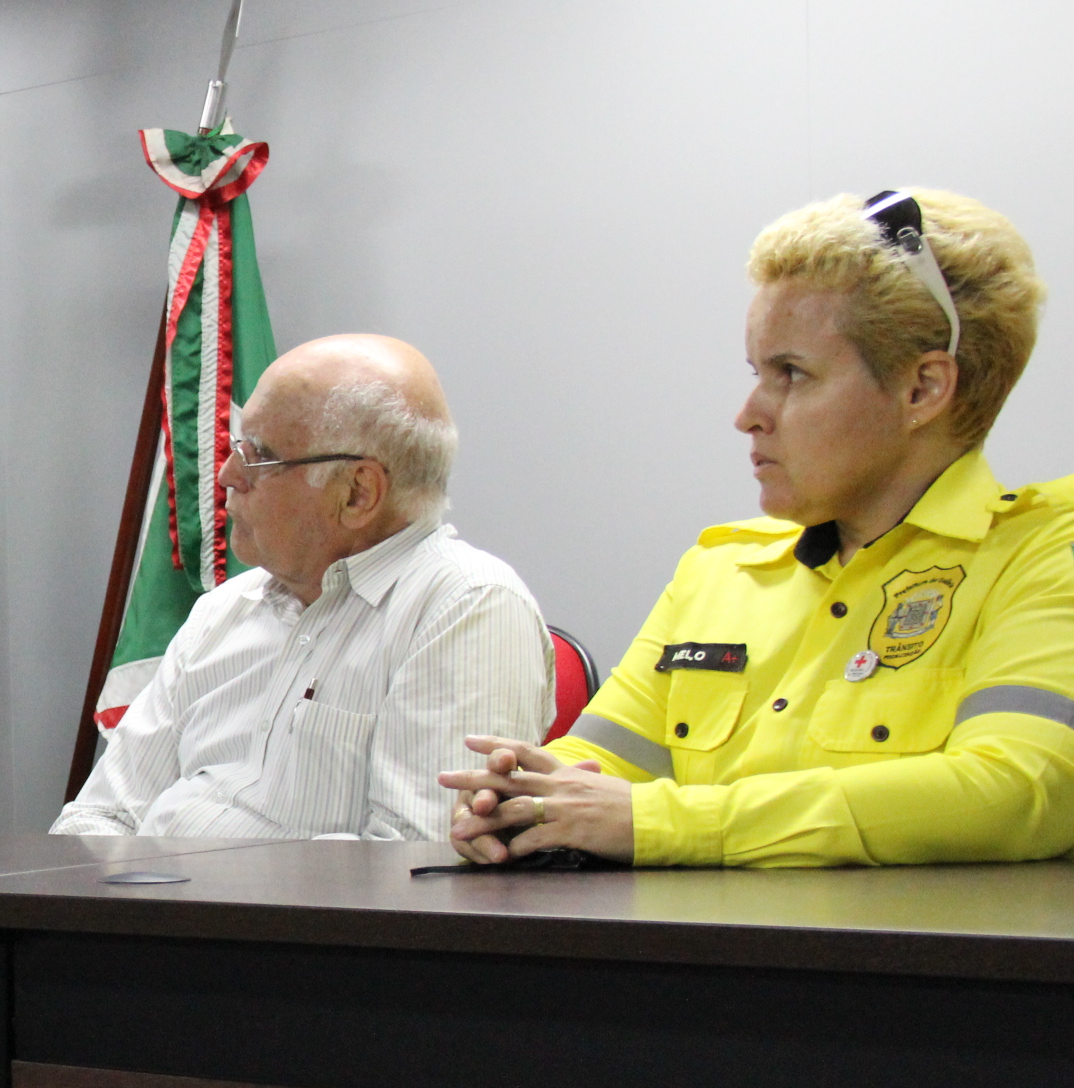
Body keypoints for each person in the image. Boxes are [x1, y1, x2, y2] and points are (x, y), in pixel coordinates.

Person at [446, 189, 1074, 869]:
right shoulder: (721, 568)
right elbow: (598, 763)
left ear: (922, 389)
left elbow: (1012, 790)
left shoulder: (1043, 553)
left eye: (791, 374)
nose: (748, 414)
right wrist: (516, 798)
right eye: (757, 373)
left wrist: (668, 822)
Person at [52, 334, 551, 841]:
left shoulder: (466, 607)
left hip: (260, 918)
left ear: (357, 493)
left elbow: (416, 866)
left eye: (258, 457)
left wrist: (183, 891)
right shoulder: (224, 609)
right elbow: (102, 814)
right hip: (142, 909)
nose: (226, 475)